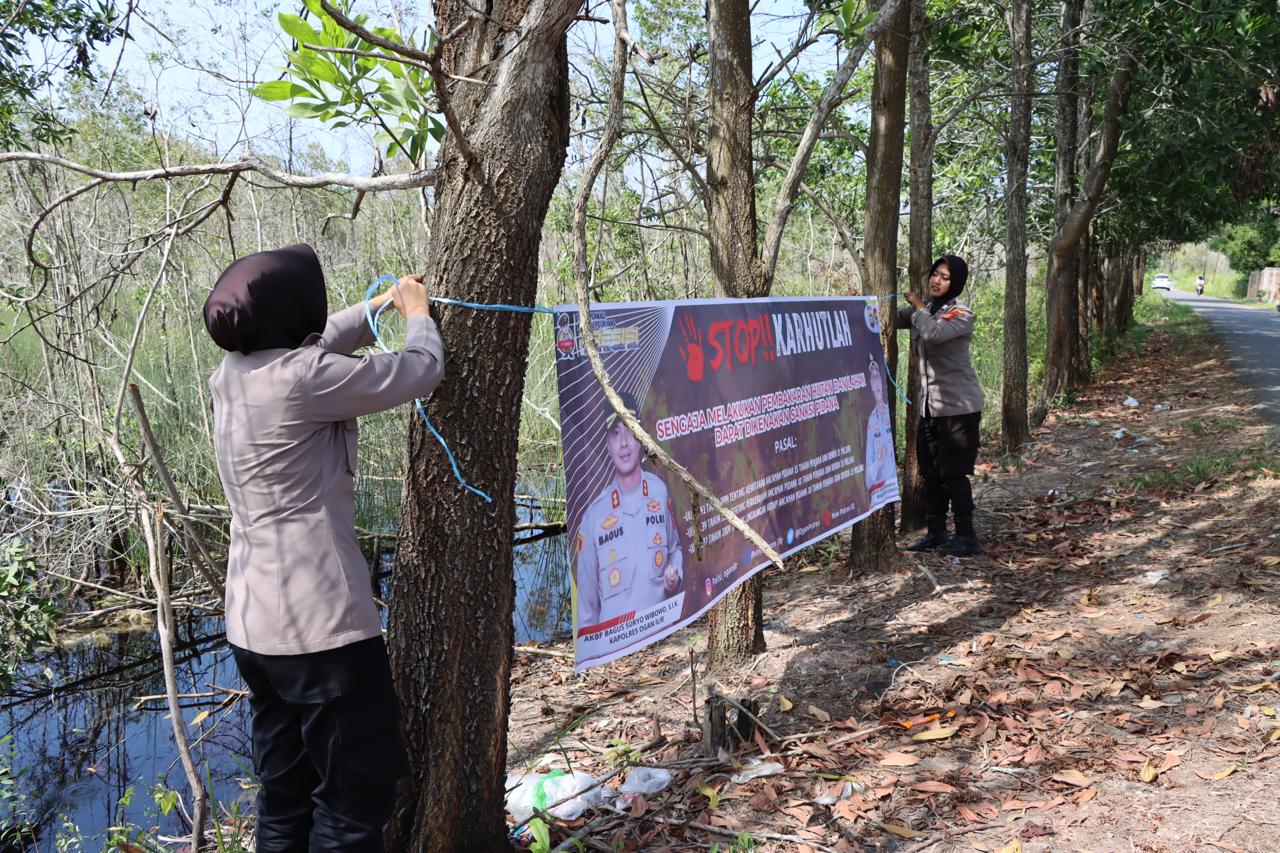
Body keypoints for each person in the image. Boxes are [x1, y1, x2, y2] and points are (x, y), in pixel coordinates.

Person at [203, 244, 444, 852]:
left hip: (254, 627)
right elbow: (419, 370)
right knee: (352, 802)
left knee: (284, 797)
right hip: (321, 635)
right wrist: (416, 314)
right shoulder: (307, 381)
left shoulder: (230, 376)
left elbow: (313, 341)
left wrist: (375, 308)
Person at [895, 254, 984, 556]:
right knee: (931, 473)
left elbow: (933, 334)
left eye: (945, 277)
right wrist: (862, 303)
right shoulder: (926, 311)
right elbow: (892, 317)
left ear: (955, 282)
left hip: (959, 410)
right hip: (930, 409)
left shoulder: (960, 314)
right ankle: (936, 533)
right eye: (935, 273)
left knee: (953, 474)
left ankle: (967, 536)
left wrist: (919, 306)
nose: (937, 280)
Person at [574, 391, 683, 630]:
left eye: (630, 430)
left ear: (641, 436)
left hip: (661, 633)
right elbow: (587, 611)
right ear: (607, 444)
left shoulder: (659, 492)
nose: (624, 442)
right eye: (615, 433)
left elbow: (675, 550)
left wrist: (674, 574)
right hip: (618, 650)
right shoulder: (593, 519)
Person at [864, 357, 898, 504]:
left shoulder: (888, 412)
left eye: (878, 377)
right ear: (871, 385)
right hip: (879, 491)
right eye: (873, 378)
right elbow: (867, 480)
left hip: (893, 486)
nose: (876, 382)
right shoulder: (871, 420)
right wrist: (879, 462)